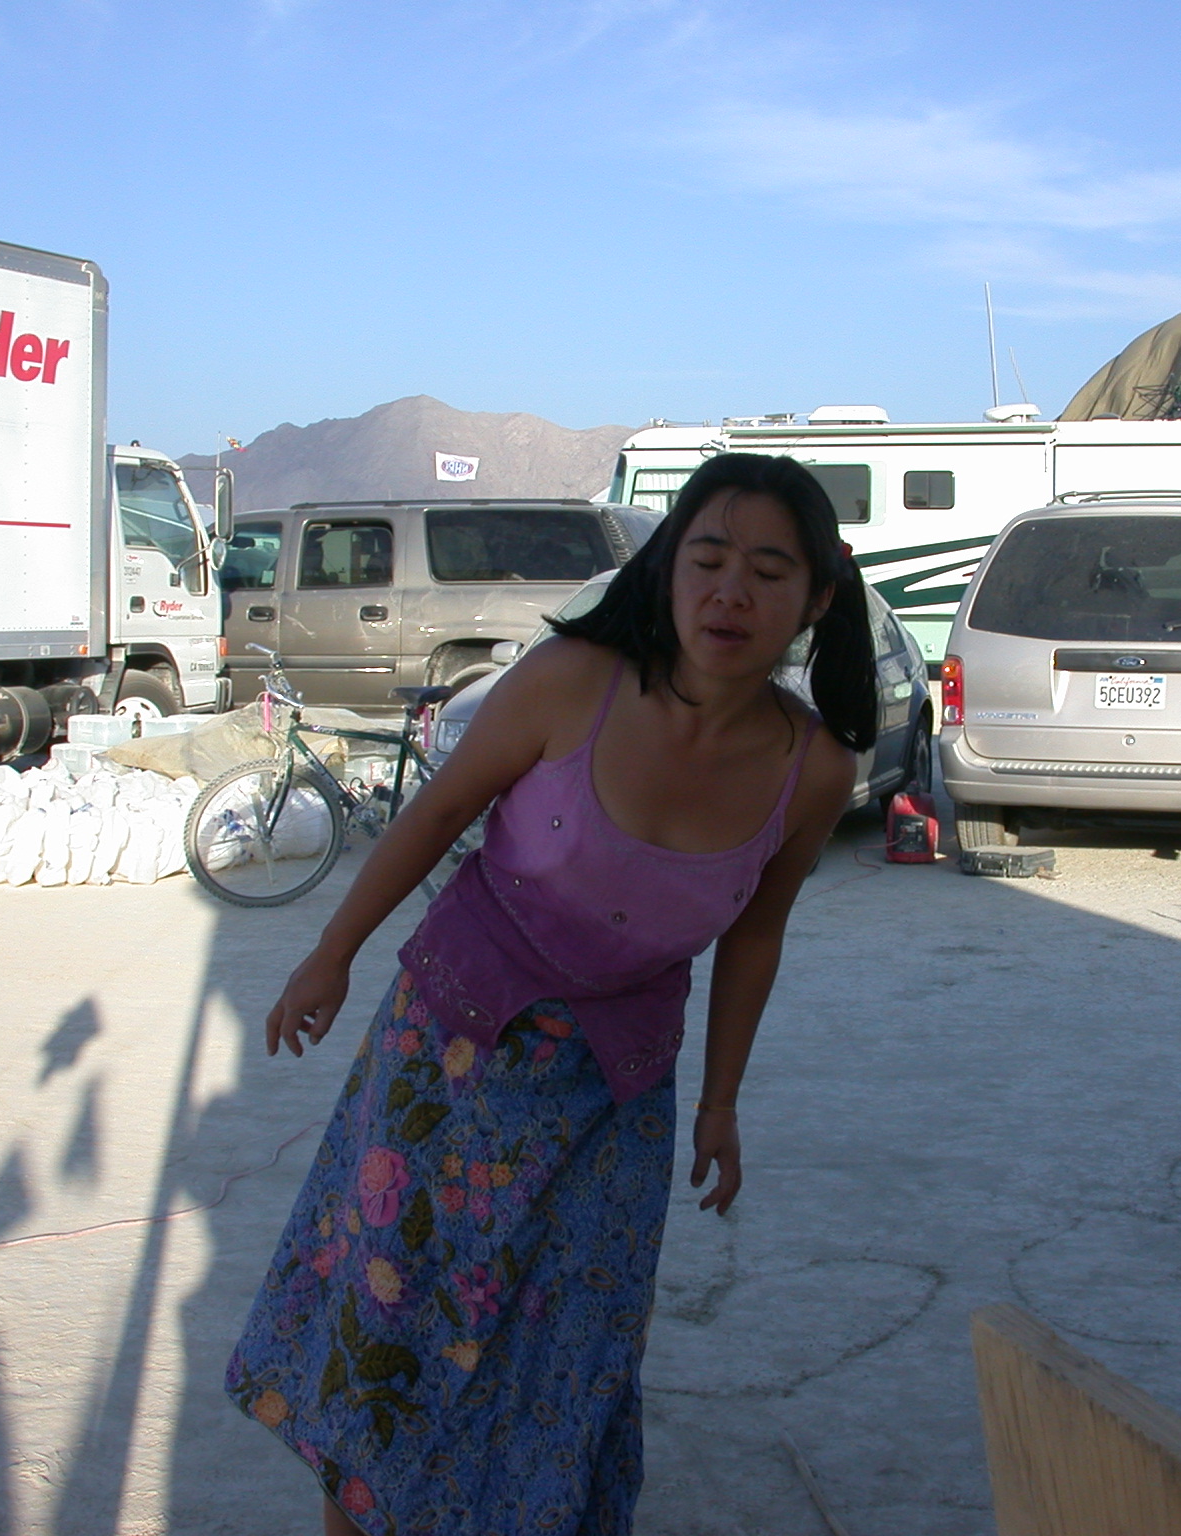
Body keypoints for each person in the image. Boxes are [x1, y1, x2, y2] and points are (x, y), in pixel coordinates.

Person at [225, 453, 874, 1535]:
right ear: (667, 570)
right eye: (708, 560)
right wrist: (330, 954)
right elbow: (437, 814)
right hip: (446, 1057)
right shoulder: (572, 680)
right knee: (394, 1313)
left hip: (613, 1095)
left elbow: (756, 934)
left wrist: (720, 1101)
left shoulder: (812, 769)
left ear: (815, 599)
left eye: (768, 573)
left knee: (569, 1349)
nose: (730, 594)